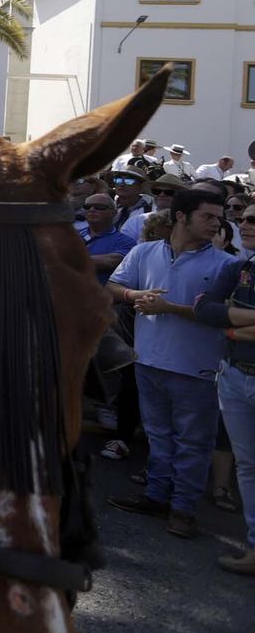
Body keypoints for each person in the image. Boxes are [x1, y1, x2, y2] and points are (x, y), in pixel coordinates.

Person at [107, 188, 244, 539]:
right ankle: (155, 496)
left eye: (219, 217)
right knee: (157, 435)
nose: (217, 223)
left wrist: (169, 309)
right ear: (181, 217)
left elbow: (226, 317)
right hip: (148, 360)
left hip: (197, 368)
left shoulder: (228, 265)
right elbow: (114, 286)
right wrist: (135, 295)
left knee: (193, 443)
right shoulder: (144, 251)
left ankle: (183, 509)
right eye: (208, 216)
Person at [195, 249, 255, 574]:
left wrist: (230, 323)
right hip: (234, 376)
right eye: (244, 218)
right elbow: (205, 310)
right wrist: (234, 328)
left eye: (253, 219)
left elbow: (220, 315)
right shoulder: (238, 266)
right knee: (247, 467)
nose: (245, 224)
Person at [82, 193, 136, 283]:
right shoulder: (72, 235)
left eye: (99, 207)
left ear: (113, 212)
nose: (92, 210)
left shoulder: (125, 241)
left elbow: (110, 261)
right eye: (87, 207)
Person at [123, 174, 186, 241]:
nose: (162, 195)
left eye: (169, 192)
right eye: (157, 191)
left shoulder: (187, 221)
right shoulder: (136, 221)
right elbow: (124, 247)